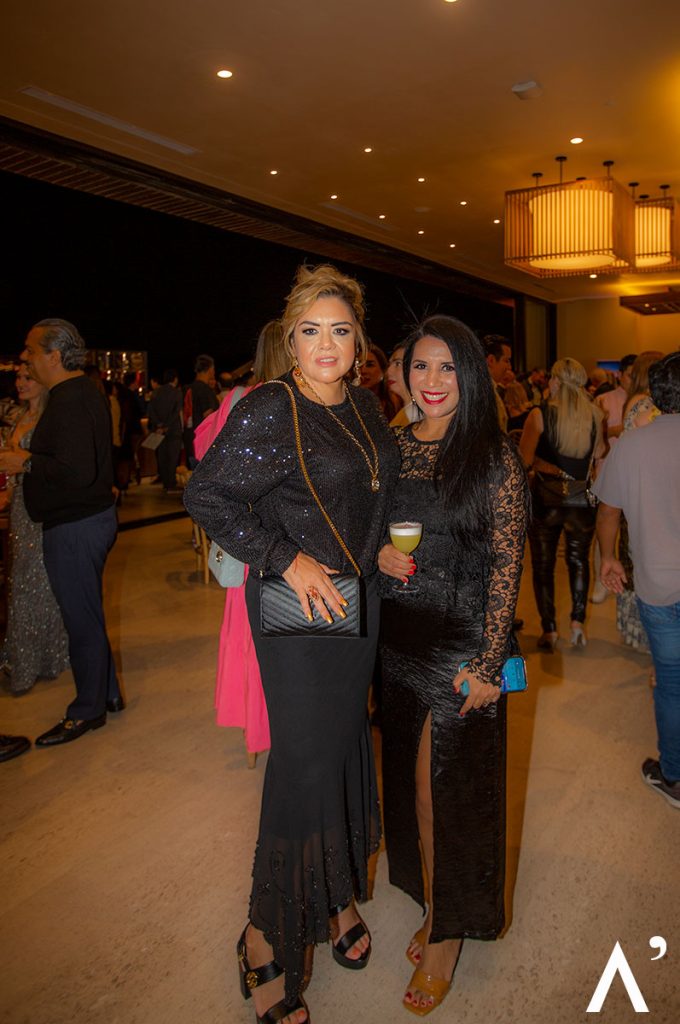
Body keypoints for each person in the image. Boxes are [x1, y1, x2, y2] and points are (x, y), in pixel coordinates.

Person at [185, 264, 400, 1024]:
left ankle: (336, 895)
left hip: (357, 605)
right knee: (303, 768)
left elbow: (371, 498)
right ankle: (261, 933)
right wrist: (286, 557)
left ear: (360, 341)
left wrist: (379, 552)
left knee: (342, 750)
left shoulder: (366, 407)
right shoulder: (271, 407)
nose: (326, 345)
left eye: (340, 331)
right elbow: (206, 495)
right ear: (290, 338)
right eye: (311, 331)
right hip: (297, 610)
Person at [378, 315, 528, 1016]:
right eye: (420, 366)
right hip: (399, 644)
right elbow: (368, 533)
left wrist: (490, 663)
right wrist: (379, 555)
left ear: (467, 374)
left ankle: (449, 932)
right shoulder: (393, 446)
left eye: (446, 367)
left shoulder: (493, 455)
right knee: (412, 795)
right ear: (405, 375)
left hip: (462, 648)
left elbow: (506, 564)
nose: (432, 381)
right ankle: (437, 904)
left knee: (445, 793)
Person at [0, 319, 123, 746]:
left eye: (32, 351)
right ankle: (107, 693)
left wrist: (24, 462)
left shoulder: (70, 399)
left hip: (76, 525)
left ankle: (87, 710)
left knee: (81, 621)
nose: (26, 358)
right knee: (87, 613)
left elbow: (76, 470)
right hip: (84, 521)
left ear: (54, 356)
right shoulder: (78, 392)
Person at [192, 321, 290, 760]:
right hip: (279, 542)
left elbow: (201, 449)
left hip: (244, 542)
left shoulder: (236, 399)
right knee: (279, 638)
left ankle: (257, 730)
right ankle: (280, 729)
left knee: (249, 636)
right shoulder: (287, 402)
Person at [593, 351, 680, 809]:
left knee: (671, 683)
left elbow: (609, 511)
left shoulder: (633, 444)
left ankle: (675, 776)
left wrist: (608, 558)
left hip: (658, 584)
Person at [519, 358, 606, 649]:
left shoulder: (539, 414)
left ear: (555, 381)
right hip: (582, 498)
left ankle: (550, 630)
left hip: (546, 500)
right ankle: (578, 623)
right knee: (579, 560)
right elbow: (600, 452)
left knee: (543, 565)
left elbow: (524, 460)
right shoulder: (595, 415)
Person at [0, 364, 69, 693]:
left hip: (42, 507)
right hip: (18, 506)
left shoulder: (51, 420)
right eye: (19, 377)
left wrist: (22, 463)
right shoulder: (17, 417)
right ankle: (22, 654)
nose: (21, 383)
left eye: (28, 378)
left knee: (39, 579)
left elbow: (58, 467)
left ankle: (48, 654)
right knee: (20, 579)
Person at [615, 351, 664, 652]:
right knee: (640, 562)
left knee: (635, 558)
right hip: (645, 495)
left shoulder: (636, 401)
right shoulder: (646, 405)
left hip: (636, 492)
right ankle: (647, 632)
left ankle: (640, 630)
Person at [148, 368, 183, 493]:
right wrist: (167, 425)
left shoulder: (156, 392)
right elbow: (176, 412)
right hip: (173, 430)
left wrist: (159, 425)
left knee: (162, 456)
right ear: (175, 379)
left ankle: (165, 481)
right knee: (172, 457)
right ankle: (171, 483)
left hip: (159, 430)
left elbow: (151, 410)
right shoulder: (177, 393)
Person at [183, 354, 219, 465]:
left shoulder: (187, 388)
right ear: (210, 369)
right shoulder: (205, 390)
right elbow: (208, 416)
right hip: (203, 442)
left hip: (189, 438)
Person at [360, 342, 401, 419]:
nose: (363, 371)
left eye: (370, 365)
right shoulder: (348, 404)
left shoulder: (397, 402)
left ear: (383, 370)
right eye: (359, 365)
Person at [385, 344, 421, 427]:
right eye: (389, 364)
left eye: (398, 363)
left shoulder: (419, 415)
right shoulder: (406, 412)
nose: (388, 371)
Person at [483, 334, 513, 431]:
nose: (509, 367)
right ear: (491, 360)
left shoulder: (490, 387)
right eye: (506, 361)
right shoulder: (483, 393)